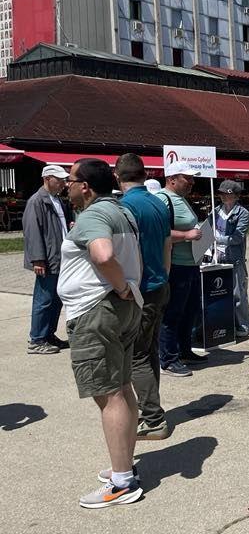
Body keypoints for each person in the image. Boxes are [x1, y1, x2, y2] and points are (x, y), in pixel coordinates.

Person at [57, 158, 145, 508]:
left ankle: (122, 482)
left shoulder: (94, 215)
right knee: (122, 387)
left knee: (108, 394)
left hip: (97, 312)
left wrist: (120, 284)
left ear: (85, 187)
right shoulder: (122, 211)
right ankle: (123, 465)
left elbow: (103, 254)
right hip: (120, 309)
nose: (66, 185)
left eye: (70, 180)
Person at [115, 154, 172, 441]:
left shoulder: (125, 208)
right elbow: (167, 245)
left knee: (137, 356)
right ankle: (151, 411)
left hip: (141, 289)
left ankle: (153, 419)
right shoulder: (157, 202)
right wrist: (164, 276)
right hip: (160, 283)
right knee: (148, 352)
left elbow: (122, 253)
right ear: (144, 173)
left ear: (117, 176)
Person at [156, 162, 206, 377]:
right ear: (172, 179)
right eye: (188, 178)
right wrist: (186, 236)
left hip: (191, 264)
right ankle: (168, 359)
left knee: (190, 310)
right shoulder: (162, 199)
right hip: (175, 265)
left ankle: (184, 351)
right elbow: (159, 231)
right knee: (173, 313)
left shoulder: (181, 199)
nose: (192, 182)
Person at [23, 164, 72, 355]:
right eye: (58, 179)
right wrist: (37, 259)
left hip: (59, 258)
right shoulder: (36, 202)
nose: (63, 183)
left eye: (63, 180)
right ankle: (37, 339)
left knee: (56, 299)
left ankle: (48, 334)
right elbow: (32, 232)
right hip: (48, 259)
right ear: (47, 179)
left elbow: (59, 226)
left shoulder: (56, 200)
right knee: (43, 300)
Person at [214, 180, 249, 336]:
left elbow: (237, 237)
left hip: (234, 258)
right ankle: (227, 324)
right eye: (221, 193)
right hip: (217, 257)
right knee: (220, 293)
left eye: (227, 193)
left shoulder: (242, 213)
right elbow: (208, 228)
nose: (223, 196)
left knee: (238, 294)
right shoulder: (216, 210)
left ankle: (244, 326)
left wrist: (217, 239)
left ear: (236, 196)